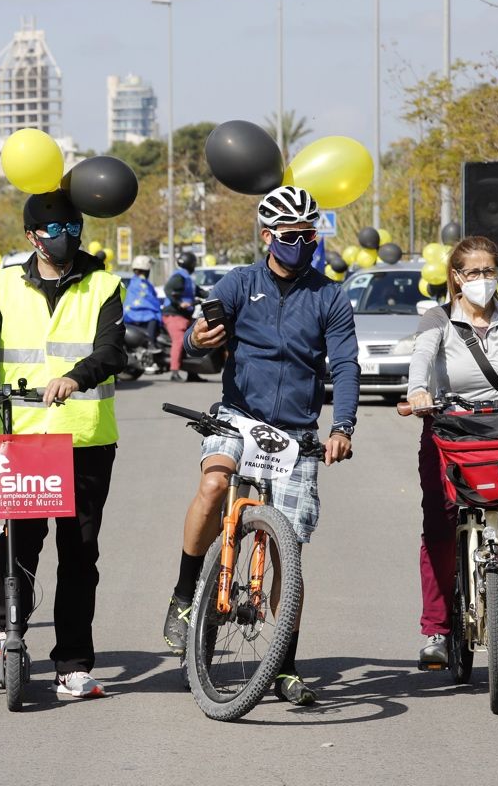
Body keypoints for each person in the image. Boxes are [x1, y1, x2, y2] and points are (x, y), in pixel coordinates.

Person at [161, 185, 357, 705]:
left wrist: (343, 427)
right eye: (292, 236)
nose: (303, 244)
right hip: (239, 416)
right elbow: (204, 326)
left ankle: (285, 665)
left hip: (295, 432)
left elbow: (344, 364)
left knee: (284, 547)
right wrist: (200, 336)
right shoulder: (241, 282)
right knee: (212, 483)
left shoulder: (330, 296)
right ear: (268, 236)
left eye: (309, 236)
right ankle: (185, 595)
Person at [0, 189, 125, 699]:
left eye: (73, 230)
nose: (65, 239)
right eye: (54, 232)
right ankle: (4, 627)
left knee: (79, 555)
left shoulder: (104, 284)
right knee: (20, 542)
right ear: (31, 237)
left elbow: (113, 350)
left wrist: (76, 376)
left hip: (86, 437)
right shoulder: (2, 284)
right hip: (24, 438)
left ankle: (72, 664)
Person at [406, 236, 498, 691]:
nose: (482, 280)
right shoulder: (437, 319)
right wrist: (417, 392)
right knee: (440, 524)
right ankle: (437, 629)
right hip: (448, 430)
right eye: (472, 273)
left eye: (489, 271)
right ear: (455, 276)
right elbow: (422, 358)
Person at [162, 251, 200, 382]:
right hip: (174, 315)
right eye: (194, 263)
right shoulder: (179, 277)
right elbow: (168, 290)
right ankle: (174, 372)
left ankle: (193, 373)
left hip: (185, 316)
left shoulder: (187, 278)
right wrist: (179, 303)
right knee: (179, 341)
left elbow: (200, 291)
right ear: (190, 264)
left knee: (194, 341)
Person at [123, 254, 162, 341]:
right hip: (136, 313)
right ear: (146, 269)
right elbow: (149, 300)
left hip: (128, 313)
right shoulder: (143, 283)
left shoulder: (133, 281)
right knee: (153, 316)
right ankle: (150, 342)